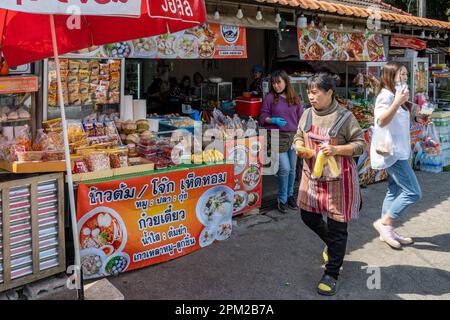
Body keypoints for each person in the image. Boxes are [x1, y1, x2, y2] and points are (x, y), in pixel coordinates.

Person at [293, 73, 366, 296]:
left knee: (338, 228)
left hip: (339, 180)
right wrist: (299, 147)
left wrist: (336, 149)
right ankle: (333, 246)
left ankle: (331, 273)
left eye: (316, 92)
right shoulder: (306, 114)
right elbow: (298, 136)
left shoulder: (345, 117)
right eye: (309, 92)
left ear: (329, 93)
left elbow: (360, 145)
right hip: (312, 177)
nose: (311, 97)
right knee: (308, 216)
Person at [370, 62, 429, 249]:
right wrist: (397, 101)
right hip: (392, 153)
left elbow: (400, 120)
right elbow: (381, 120)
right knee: (413, 192)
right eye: (400, 75)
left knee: (394, 190)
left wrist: (419, 118)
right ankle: (384, 223)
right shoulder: (385, 96)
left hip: (402, 151)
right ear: (389, 76)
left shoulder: (398, 96)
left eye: (405, 75)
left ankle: (387, 231)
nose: (404, 78)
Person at [259, 70, 303, 214]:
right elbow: (262, 116)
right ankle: (282, 198)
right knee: (284, 168)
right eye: (273, 83)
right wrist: (273, 120)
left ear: (285, 81)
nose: (276, 85)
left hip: (294, 137)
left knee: (292, 168)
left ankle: (290, 195)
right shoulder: (270, 98)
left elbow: (301, 117)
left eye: (279, 82)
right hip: (277, 136)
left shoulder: (295, 97)